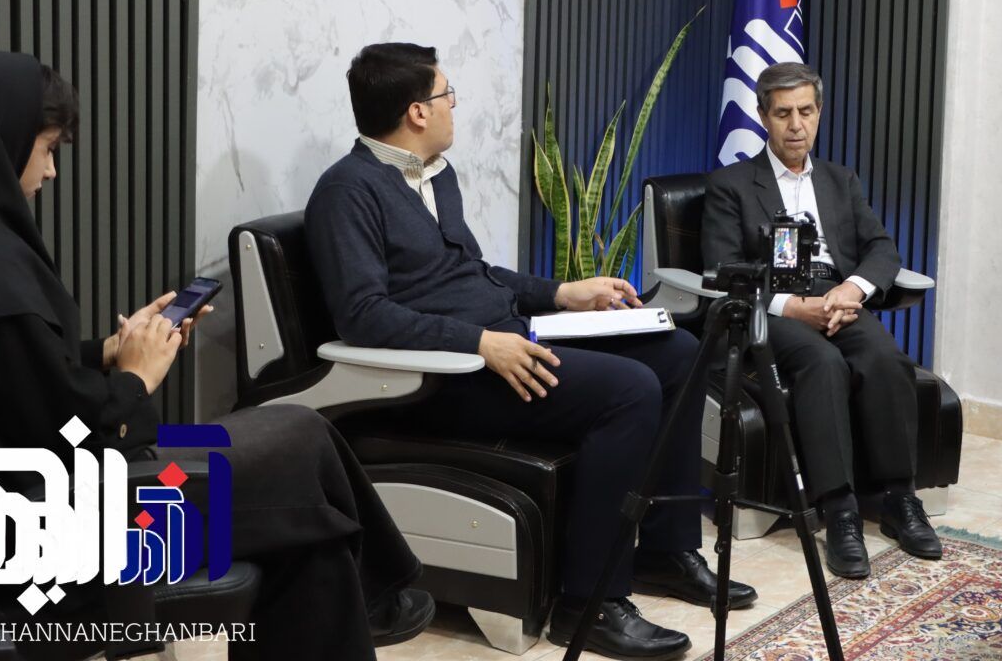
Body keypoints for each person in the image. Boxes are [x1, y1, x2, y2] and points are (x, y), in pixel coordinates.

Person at [0, 52, 433, 661]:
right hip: (56, 523)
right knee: (302, 437)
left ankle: (381, 592)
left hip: (28, 499)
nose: (51, 171)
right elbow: (65, 432)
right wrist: (136, 380)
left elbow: (7, 380)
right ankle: (385, 591)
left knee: (309, 535)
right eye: (46, 149)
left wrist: (106, 352)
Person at [304, 43, 756, 661]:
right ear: (416, 111)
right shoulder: (346, 191)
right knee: (629, 391)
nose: (453, 104)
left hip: (505, 339)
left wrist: (562, 293)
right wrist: (479, 343)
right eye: (445, 94)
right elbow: (363, 314)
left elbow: (474, 275)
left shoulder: (436, 176)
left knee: (677, 350)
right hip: (444, 377)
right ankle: (588, 604)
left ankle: (665, 550)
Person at [701, 62, 941, 580]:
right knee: (822, 362)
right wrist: (792, 307)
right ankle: (840, 511)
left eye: (806, 112)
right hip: (772, 307)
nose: (796, 125)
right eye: (783, 113)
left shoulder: (839, 180)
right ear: (763, 116)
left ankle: (900, 499)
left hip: (836, 294)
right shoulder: (731, 185)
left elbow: (882, 249)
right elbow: (723, 269)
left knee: (885, 358)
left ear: (819, 113)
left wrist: (852, 290)